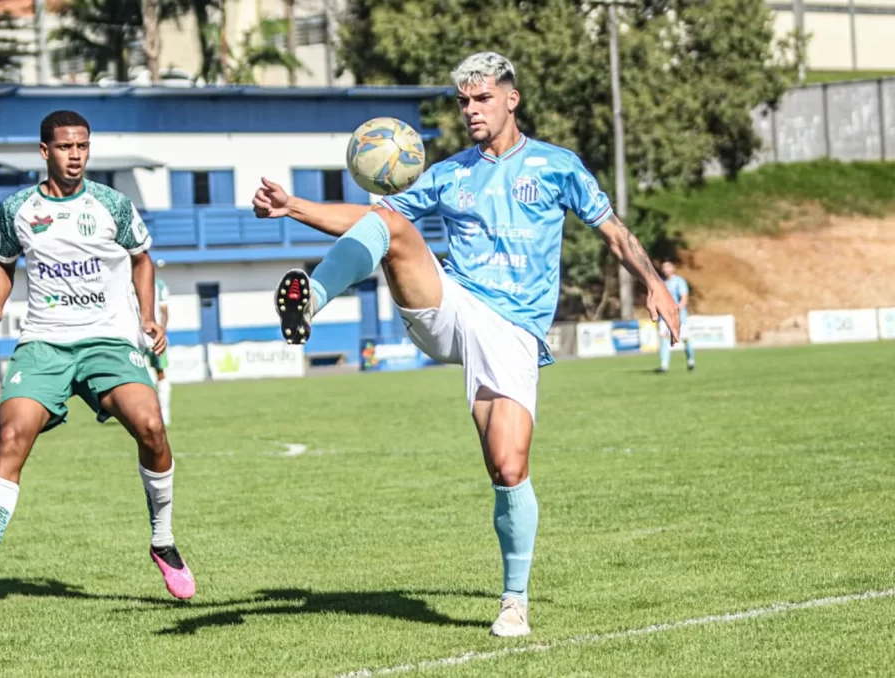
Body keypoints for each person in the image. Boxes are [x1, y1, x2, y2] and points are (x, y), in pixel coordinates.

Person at [254, 52, 679, 637]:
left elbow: (613, 232)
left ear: (511, 98)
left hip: (513, 329)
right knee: (393, 225)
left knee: (508, 467)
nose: (471, 109)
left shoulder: (558, 167)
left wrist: (654, 281)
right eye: (463, 101)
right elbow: (369, 219)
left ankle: (514, 599)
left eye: (481, 98)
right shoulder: (450, 173)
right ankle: (312, 299)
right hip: (451, 304)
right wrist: (293, 206)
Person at [0, 110, 195, 610]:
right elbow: (1, 262)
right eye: (66, 148)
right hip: (44, 342)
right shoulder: (17, 209)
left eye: (83, 147)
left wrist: (148, 318)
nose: (76, 156)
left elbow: (142, 259)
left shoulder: (112, 204)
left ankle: (163, 540)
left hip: (108, 340)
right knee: (11, 435)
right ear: (45, 152)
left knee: (151, 426)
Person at [657, 260, 695, 373]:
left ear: (673, 267)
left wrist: (676, 310)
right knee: (664, 338)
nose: (665, 269)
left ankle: (691, 361)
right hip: (664, 317)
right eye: (663, 267)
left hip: (679, 316)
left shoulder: (679, 281)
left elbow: (684, 299)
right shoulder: (661, 283)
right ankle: (664, 365)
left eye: (668, 266)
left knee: (685, 339)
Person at [149, 263, 172, 425]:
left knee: (160, 373)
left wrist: (161, 331)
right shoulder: (127, 283)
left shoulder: (159, 284)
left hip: (153, 336)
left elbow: (164, 312)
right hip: (135, 336)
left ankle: (164, 413)